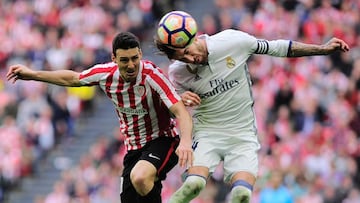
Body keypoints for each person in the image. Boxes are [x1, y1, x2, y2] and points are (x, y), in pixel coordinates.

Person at [154, 21, 350, 202]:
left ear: (195, 37)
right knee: (193, 186)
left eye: (187, 51)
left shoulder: (232, 41)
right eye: (182, 58)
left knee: (242, 195)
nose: (190, 59)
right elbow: (174, 110)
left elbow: (279, 48)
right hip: (207, 132)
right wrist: (181, 100)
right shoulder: (177, 72)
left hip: (243, 132)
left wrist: (322, 49)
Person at [7, 31, 194, 203]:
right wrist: (32, 75)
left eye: (134, 59)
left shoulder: (152, 75)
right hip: (133, 149)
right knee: (134, 191)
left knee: (140, 176)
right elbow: (72, 78)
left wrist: (185, 142)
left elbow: (180, 111)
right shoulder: (105, 74)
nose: (131, 65)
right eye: (124, 60)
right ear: (114, 58)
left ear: (140, 55)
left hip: (162, 140)